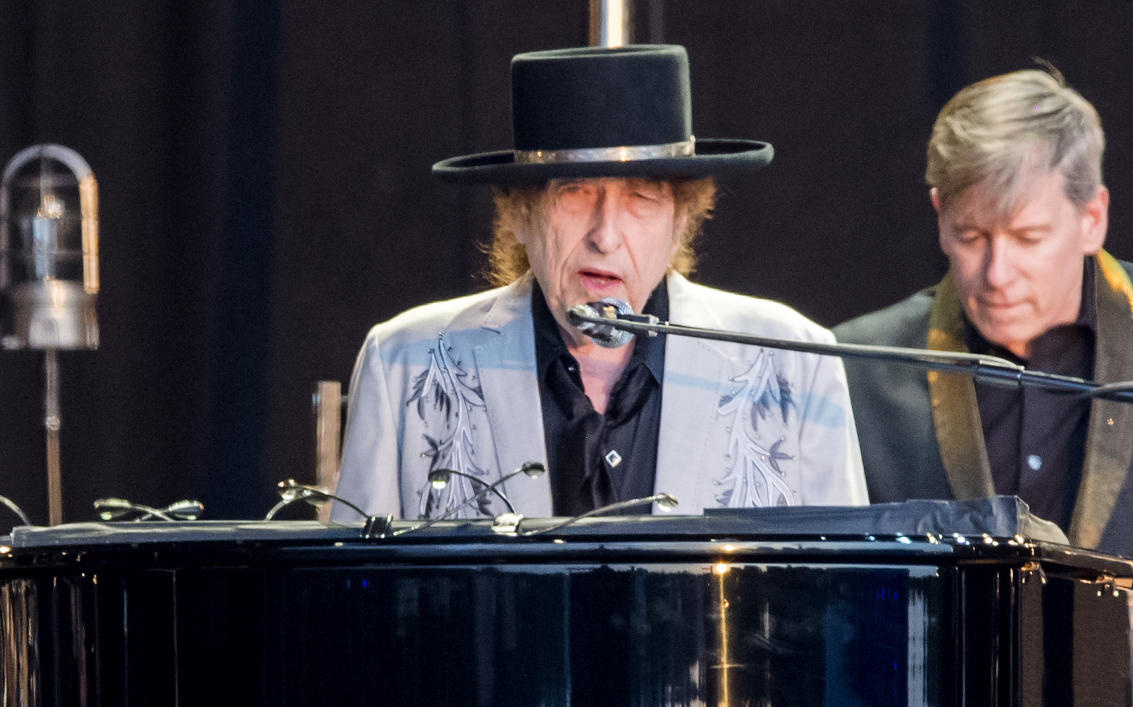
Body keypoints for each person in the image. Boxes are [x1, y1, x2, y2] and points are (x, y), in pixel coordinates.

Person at [334, 44, 866, 521]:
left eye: (642, 197)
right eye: (575, 193)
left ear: (682, 220)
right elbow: (349, 604)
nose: (606, 235)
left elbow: (847, 605)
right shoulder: (403, 361)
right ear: (519, 214)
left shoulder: (796, 361)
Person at [834, 68, 1133, 640]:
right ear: (938, 215)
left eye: (1027, 238)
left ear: (1092, 219)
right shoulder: (860, 364)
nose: (996, 274)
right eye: (971, 236)